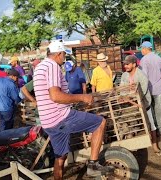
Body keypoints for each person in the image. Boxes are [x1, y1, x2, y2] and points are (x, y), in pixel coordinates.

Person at [33, 41, 112, 179]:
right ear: (58, 54)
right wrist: (82, 97)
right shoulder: (52, 66)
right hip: (60, 117)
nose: (64, 58)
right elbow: (56, 96)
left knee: (60, 156)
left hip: (48, 122)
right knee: (100, 123)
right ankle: (93, 165)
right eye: (64, 54)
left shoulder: (40, 67)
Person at [120, 55, 161, 156]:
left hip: (144, 103)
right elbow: (122, 89)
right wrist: (124, 96)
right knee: (129, 124)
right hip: (130, 105)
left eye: (127, 64)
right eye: (125, 64)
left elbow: (142, 92)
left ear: (134, 64)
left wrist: (129, 97)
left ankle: (155, 146)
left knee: (151, 125)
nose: (125, 66)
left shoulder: (142, 76)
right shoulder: (124, 75)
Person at [140, 41, 161, 135]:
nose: (141, 51)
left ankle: (152, 131)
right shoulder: (158, 58)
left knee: (149, 111)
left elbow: (144, 77)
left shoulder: (144, 60)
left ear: (145, 48)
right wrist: (159, 83)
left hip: (148, 90)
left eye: (141, 49)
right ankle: (159, 130)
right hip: (158, 89)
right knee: (159, 111)